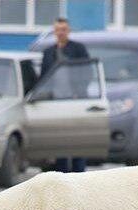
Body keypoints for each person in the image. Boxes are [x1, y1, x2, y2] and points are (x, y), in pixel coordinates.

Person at [41, 17, 90, 173]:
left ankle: (79, 174)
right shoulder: (49, 53)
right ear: (54, 31)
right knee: (59, 141)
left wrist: (78, 92)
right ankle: (61, 173)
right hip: (56, 103)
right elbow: (43, 77)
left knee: (78, 140)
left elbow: (87, 72)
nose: (61, 33)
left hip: (76, 101)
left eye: (64, 29)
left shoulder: (78, 49)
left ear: (68, 31)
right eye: (58, 30)